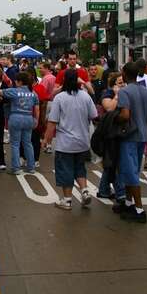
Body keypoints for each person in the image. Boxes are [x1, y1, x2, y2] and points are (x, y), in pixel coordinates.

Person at [43, 68, 97, 210]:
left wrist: (46, 139)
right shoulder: (86, 97)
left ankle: (67, 200)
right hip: (83, 142)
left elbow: (52, 122)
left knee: (65, 170)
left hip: (65, 143)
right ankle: (84, 190)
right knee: (80, 168)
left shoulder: (60, 98)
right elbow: (94, 115)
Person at [115, 62, 147, 223]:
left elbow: (124, 114)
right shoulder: (145, 92)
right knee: (133, 170)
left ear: (124, 74)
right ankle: (129, 203)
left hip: (129, 136)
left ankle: (139, 209)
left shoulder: (124, 91)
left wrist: (112, 119)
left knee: (130, 172)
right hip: (143, 135)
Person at [0, 71, 39, 175]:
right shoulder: (33, 93)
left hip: (16, 117)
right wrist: (36, 120)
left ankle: (16, 168)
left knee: (15, 144)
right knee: (28, 143)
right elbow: (37, 109)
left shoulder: (14, 91)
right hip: (29, 118)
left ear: (19, 82)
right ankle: (31, 166)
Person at [97, 71, 126, 201]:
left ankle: (104, 189)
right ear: (113, 84)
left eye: (124, 82)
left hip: (118, 132)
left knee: (111, 162)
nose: (123, 85)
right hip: (109, 133)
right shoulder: (107, 94)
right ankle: (120, 193)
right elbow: (109, 108)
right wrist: (116, 94)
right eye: (120, 83)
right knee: (113, 163)